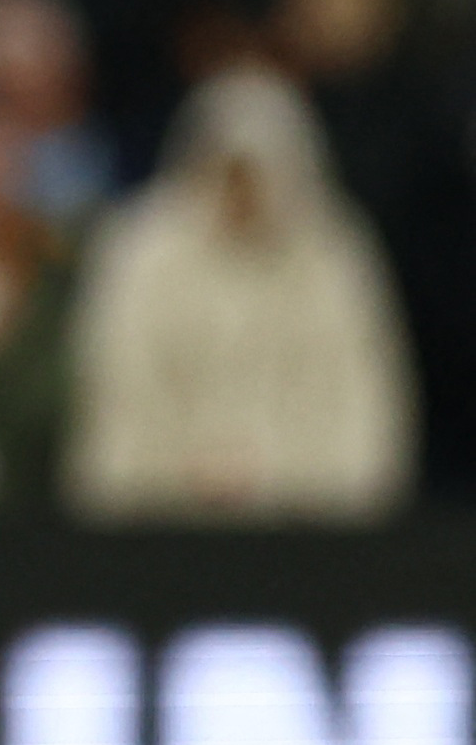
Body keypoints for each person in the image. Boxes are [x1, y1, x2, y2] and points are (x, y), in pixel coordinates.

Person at [64, 63, 415, 522]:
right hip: (159, 522)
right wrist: (180, 479)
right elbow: (115, 388)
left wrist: (280, 480)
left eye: (256, 174)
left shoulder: (335, 253)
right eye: (228, 172)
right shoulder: (141, 251)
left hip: (311, 525)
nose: (242, 193)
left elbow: (363, 396)